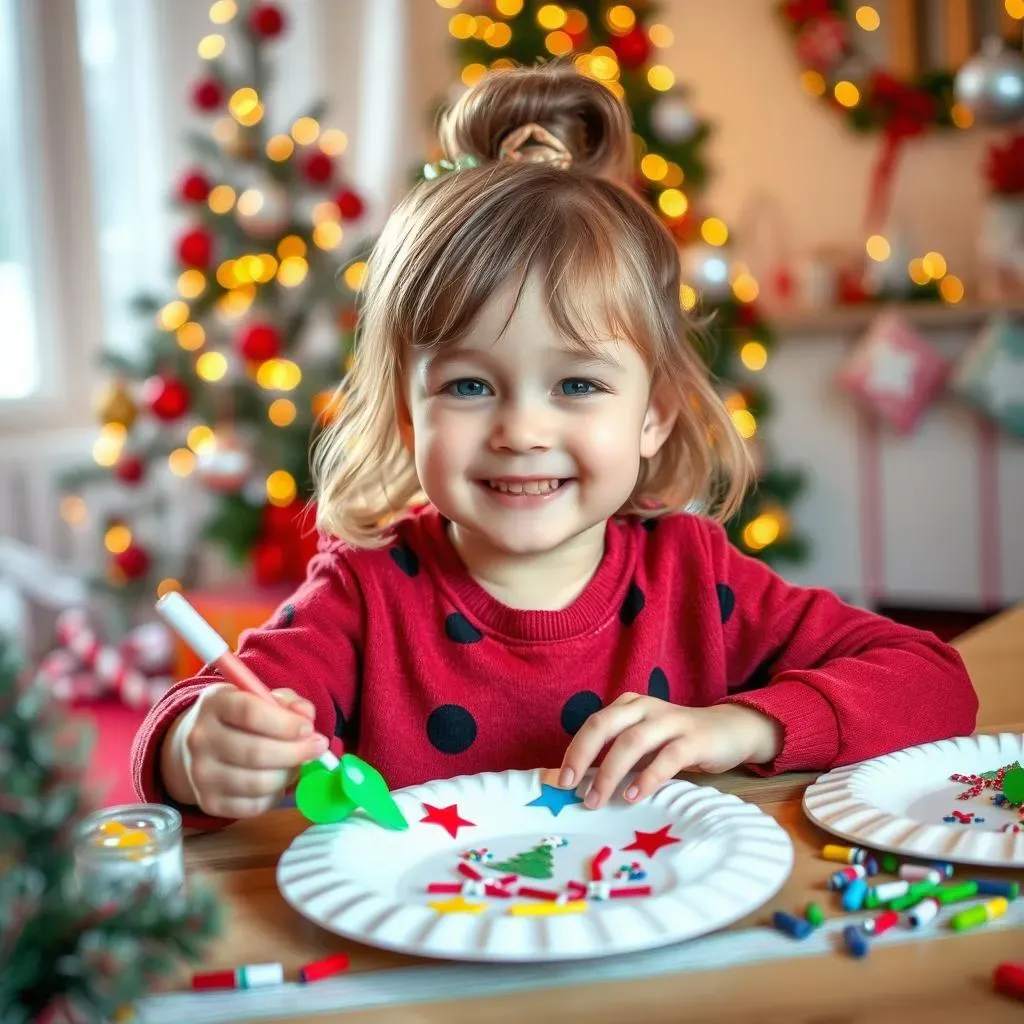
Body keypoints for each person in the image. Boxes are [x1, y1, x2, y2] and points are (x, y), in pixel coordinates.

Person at [132, 62, 977, 828]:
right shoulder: (362, 597)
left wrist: (741, 723)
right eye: (468, 386)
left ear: (656, 414)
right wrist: (199, 749)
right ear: (403, 414)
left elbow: (935, 682)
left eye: (577, 385)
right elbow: (195, 721)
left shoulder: (696, 579)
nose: (523, 431)